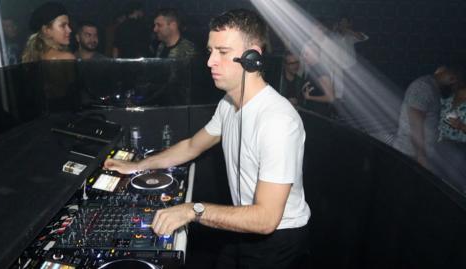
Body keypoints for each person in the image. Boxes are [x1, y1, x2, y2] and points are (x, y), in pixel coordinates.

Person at [105, 9, 310, 269]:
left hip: (277, 241)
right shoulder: (229, 103)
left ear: (252, 58)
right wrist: (138, 166)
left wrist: (193, 210)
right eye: (211, 51)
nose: (210, 61)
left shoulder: (277, 120)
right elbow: (192, 146)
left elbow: (267, 218)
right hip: (244, 229)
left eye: (222, 52)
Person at [393, 66, 457, 168]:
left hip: (415, 156)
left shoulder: (433, 89)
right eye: (452, 76)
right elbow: (415, 122)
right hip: (410, 156)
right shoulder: (424, 87)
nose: (454, 82)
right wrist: (421, 157)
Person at [300, 41, 336, 117]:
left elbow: (330, 98)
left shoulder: (320, 71)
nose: (303, 56)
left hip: (320, 114)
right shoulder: (313, 68)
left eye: (306, 54)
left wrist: (310, 97)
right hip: (313, 112)